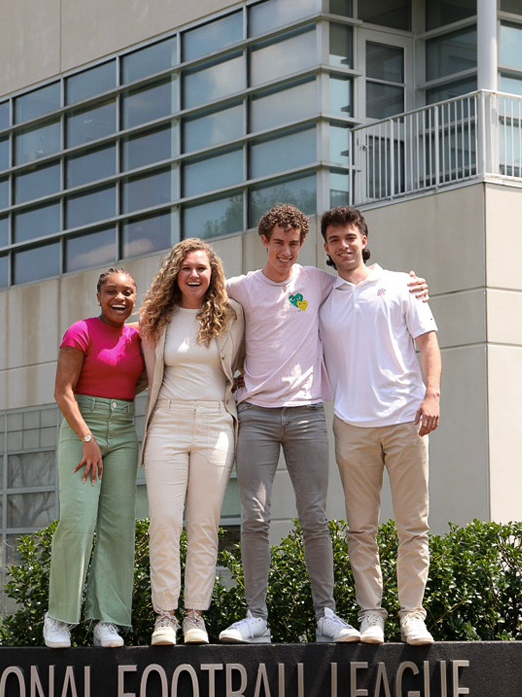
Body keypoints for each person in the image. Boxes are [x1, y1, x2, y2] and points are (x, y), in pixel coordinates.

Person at [219, 205, 426, 646]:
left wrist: (414, 286)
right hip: (255, 415)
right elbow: (193, 297)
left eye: (295, 243)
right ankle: (256, 616)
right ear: (264, 242)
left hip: (309, 414)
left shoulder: (318, 282)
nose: (287, 252)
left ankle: (326, 615)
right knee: (255, 518)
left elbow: (368, 283)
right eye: (279, 243)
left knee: (314, 517)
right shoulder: (241, 287)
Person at [318, 206, 441, 647]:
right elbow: (278, 311)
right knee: (360, 529)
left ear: (364, 240)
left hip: (406, 420)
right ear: (327, 248)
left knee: (413, 525)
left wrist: (432, 395)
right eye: (334, 240)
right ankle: (372, 613)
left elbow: (428, 342)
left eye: (350, 237)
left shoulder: (401, 285)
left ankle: (412, 614)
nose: (343, 245)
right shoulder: (319, 295)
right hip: (351, 425)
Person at [137, 239, 245, 646]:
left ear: (212, 272)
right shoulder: (155, 318)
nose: (195, 275)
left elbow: (253, 354)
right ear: (174, 274)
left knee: (204, 524)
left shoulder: (233, 315)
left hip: (215, 423)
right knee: (164, 522)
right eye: (186, 268)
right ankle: (165, 615)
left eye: (202, 268)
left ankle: (195, 614)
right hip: (167, 421)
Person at [46, 267, 146, 649]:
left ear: (135, 297)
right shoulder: (81, 331)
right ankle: (59, 617)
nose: (119, 298)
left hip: (123, 431)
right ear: (98, 296)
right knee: (77, 520)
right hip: (80, 430)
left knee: (118, 527)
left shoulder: (139, 337)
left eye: (127, 292)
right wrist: (87, 435)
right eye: (111, 291)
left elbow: (139, 380)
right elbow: (62, 391)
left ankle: (107, 620)